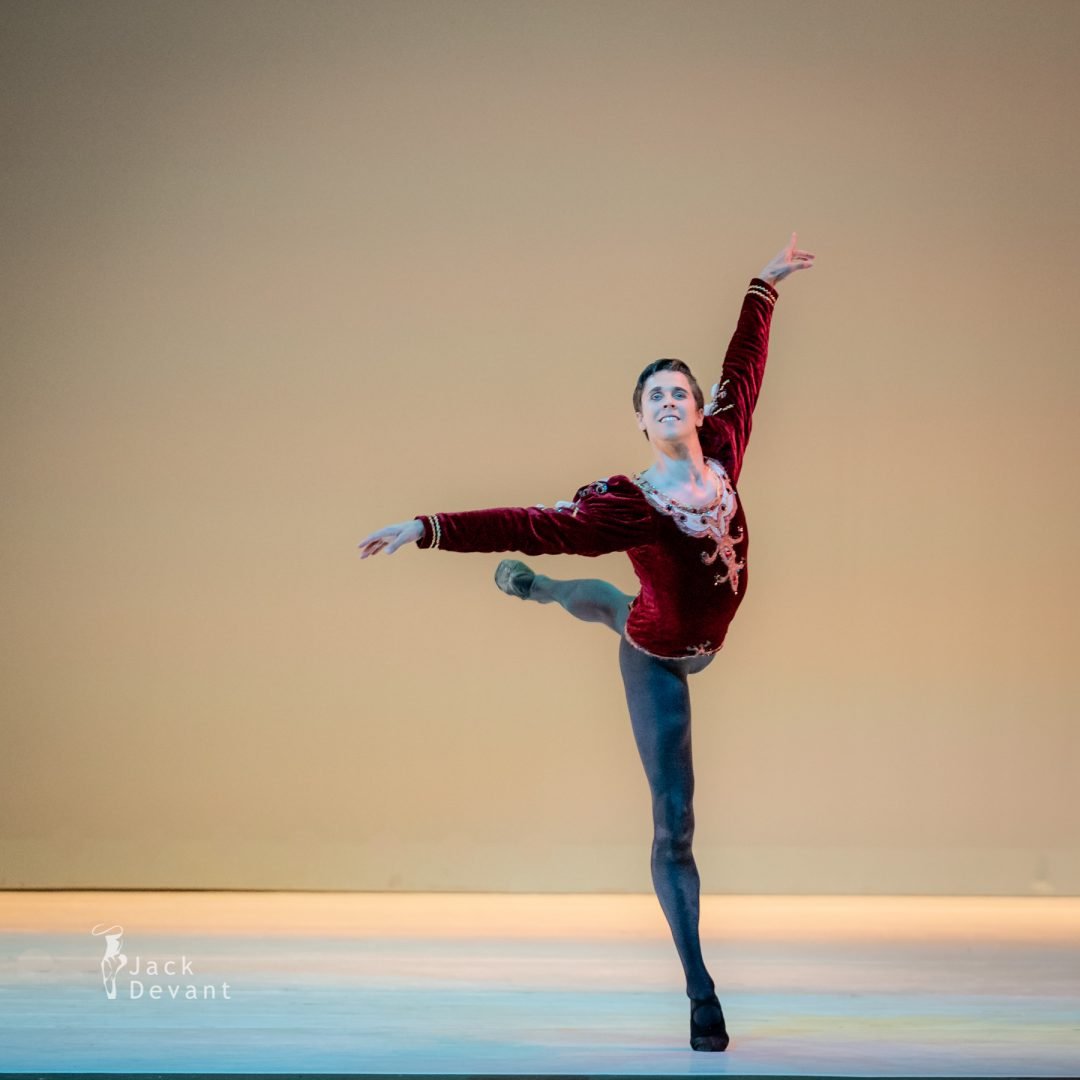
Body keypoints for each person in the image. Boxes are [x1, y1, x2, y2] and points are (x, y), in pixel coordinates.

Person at [358, 233, 816, 1051]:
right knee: (672, 818)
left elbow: (744, 371)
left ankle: (562, 599)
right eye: (657, 398)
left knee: (611, 601)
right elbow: (530, 522)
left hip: (701, 638)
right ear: (640, 421)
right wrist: (426, 528)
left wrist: (762, 287)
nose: (673, 402)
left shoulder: (723, 448)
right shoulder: (626, 506)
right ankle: (701, 992)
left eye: (681, 392)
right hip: (662, 658)